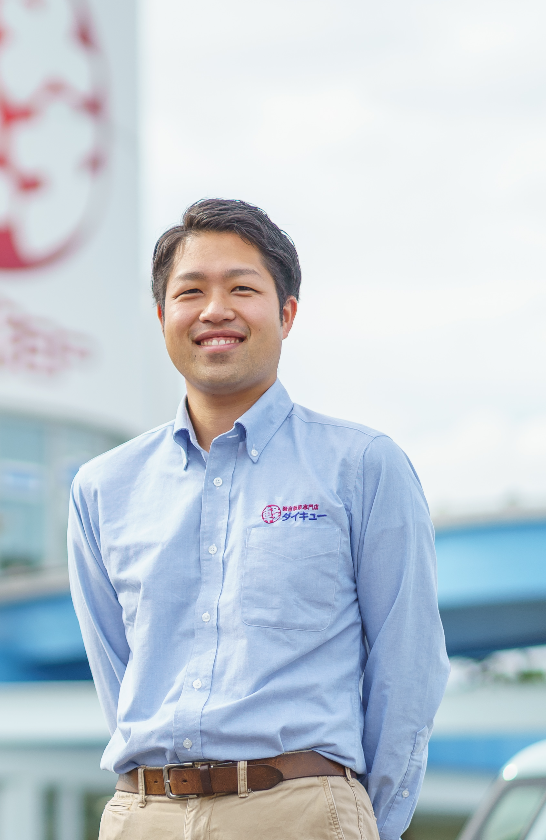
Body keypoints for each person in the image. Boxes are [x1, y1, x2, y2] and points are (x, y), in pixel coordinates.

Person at [67, 199, 448, 840]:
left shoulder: (362, 465)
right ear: (162, 317)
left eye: (242, 289)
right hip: (143, 816)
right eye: (191, 292)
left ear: (287, 313)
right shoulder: (103, 487)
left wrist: (359, 821)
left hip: (301, 812)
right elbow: (116, 673)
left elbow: (408, 666)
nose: (215, 310)